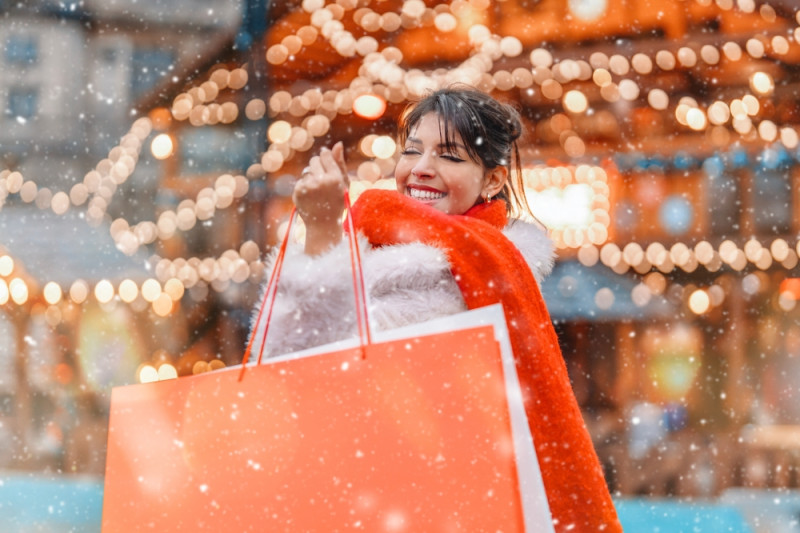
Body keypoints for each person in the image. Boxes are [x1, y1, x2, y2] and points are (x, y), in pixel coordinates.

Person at [250, 86, 622, 532]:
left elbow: (320, 370)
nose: (421, 169)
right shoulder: (376, 244)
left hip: (413, 507)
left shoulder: (472, 275)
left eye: (450, 156)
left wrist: (325, 235)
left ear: (493, 180)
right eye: (412, 150)